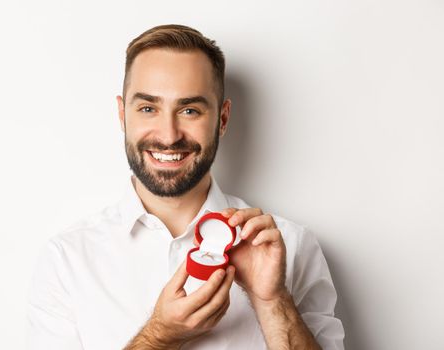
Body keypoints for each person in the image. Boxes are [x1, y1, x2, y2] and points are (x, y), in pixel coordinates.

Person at [26, 24, 345, 350]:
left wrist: (272, 301)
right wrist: (158, 338)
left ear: (222, 119)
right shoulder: (67, 260)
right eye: (148, 108)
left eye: (189, 110)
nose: (168, 135)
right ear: (123, 115)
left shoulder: (292, 248)